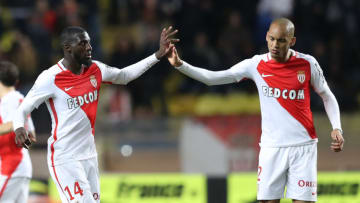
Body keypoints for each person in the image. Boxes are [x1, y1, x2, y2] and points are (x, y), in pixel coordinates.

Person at [167, 18, 344, 203]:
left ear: (292, 41)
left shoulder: (308, 64)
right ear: (267, 37)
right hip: (271, 148)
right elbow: (213, 78)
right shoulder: (256, 65)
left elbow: (327, 96)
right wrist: (180, 65)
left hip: (303, 147)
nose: (275, 45)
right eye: (272, 39)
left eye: (281, 40)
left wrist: (337, 128)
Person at [13, 25, 178, 202]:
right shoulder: (50, 78)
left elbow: (124, 75)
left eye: (89, 43)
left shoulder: (96, 69)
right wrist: (19, 127)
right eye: (83, 43)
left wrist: (158, 55)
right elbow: (23, 108)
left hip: (89, 155)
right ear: (68, 47)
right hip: (65, 157)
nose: (89, 48)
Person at [0, 61, 36, 202]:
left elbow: (15, 124)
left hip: (12, 166)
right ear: (16, 81)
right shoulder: (20, 99)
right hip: (19, 166)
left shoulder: (11, 100)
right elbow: (31, 136)